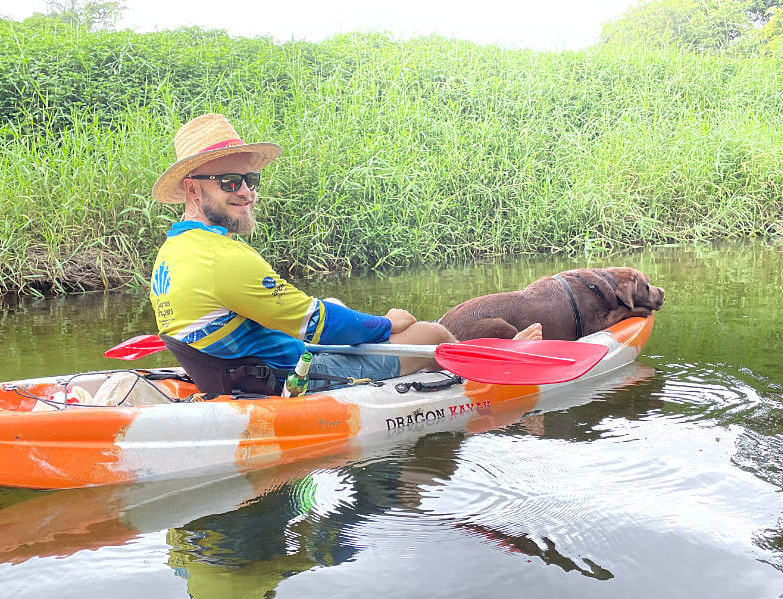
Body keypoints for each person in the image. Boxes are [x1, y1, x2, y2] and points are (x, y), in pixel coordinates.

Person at [148, 113, 540, 395]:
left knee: (335, 301)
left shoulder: (172, 253)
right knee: (430, 333)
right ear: (193, 189)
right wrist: (385, 324)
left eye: (251, 179)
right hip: (284, 377)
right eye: (230, 181)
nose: (247, 192)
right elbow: (318, 324)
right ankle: (478, 381)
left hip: (235, 369)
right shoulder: (222, 258)